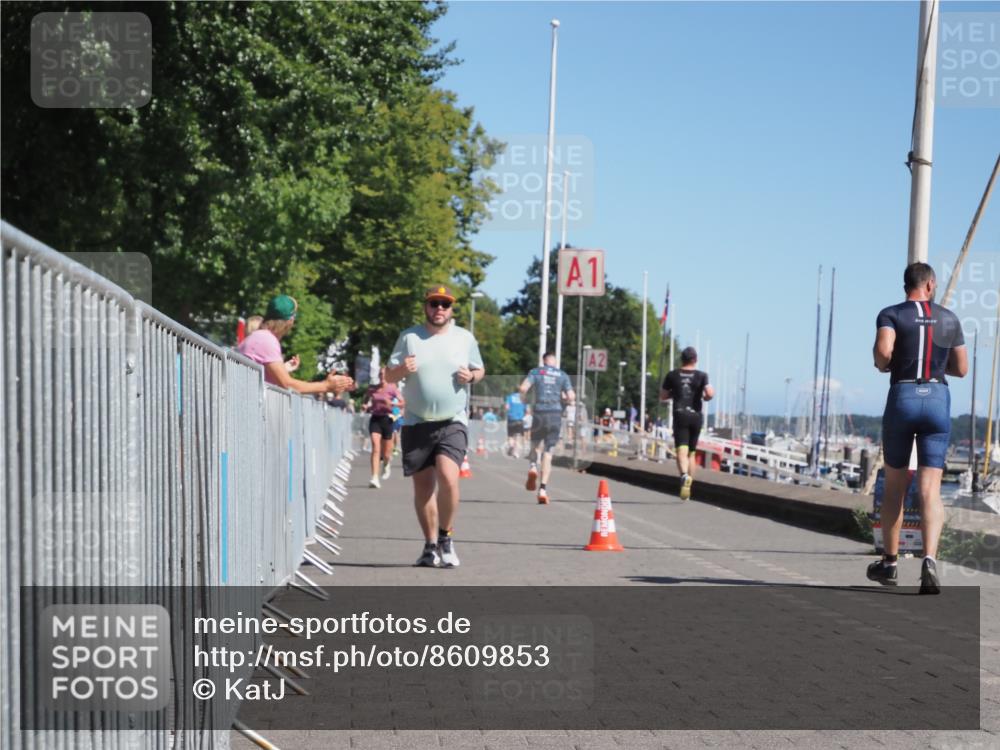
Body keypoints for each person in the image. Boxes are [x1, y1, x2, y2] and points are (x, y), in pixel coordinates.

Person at [867, 262, 967, 594]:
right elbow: (962, 368)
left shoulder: (891, 314)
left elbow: (883, 352)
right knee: (930, 489)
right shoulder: (949, 318)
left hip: (904, 395)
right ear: (931, 285)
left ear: (905, 285)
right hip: (938, 398)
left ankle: (890, 563)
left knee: (895, 486)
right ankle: (929, 560)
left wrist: (886, 364)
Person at [385, 286, 484, 568]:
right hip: (416, 420)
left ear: (451, 309)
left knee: (448, 477)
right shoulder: (409, 337)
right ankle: (429, 547)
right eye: (434, 303)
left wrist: (472, 376)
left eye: (445, 304)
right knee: (423, 488)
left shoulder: (464, 338)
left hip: (452, 419)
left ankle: (446, 537)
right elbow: (388, 375)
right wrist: (402, 369)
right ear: (425, 307)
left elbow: (480, 369)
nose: (439, 309)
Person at [237, 295, 354, 396]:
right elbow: (287, 384)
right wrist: (326, 386)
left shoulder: (258, 336)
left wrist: (284, 368)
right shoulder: (267, 340)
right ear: (289, 322)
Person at [519, 352, 575, 504]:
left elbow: (523, 388)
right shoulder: (562, 375)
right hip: (555, 415)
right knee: (548, 452)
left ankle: (532, 466)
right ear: (554, 361)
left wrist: (523, 401)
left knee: (535, 445)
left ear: (543, 361)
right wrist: (565, 399)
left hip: (539, 413)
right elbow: (571, 396)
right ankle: (543, 489)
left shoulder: (536, 372)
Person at [660, 347, 714, 501]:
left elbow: (663, 396)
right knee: (691, 452)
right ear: (695, 359)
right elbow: (709, 393)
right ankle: (689, 487)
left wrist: (675, 393)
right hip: (696, 416)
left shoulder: (672, 375)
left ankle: (684, 476)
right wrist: (706, 398)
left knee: (681, 451)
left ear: (681, 359)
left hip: (680, 414)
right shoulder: (702, 375)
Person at [363, 367, 404, 488]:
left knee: (386, 454)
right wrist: (365, 405)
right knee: (376, 447)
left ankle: (386, 464)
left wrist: (392, 404)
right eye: (380, 374)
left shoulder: (392, 388)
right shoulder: (373, 388)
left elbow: (403, 403)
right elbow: (366, 398)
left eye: (384, 374)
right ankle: (374, 477)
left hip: (388, 419)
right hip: (375, 418)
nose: (382, 376)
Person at [504, 390, 527, 458]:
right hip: (520, 419)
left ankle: (511, 445)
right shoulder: (522, 398)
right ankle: (516, 453)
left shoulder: (510, 397)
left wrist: (508, 412)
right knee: (517, 436)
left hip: (511, 418)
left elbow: (507, 407)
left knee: (510, 435)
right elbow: (525, 409)